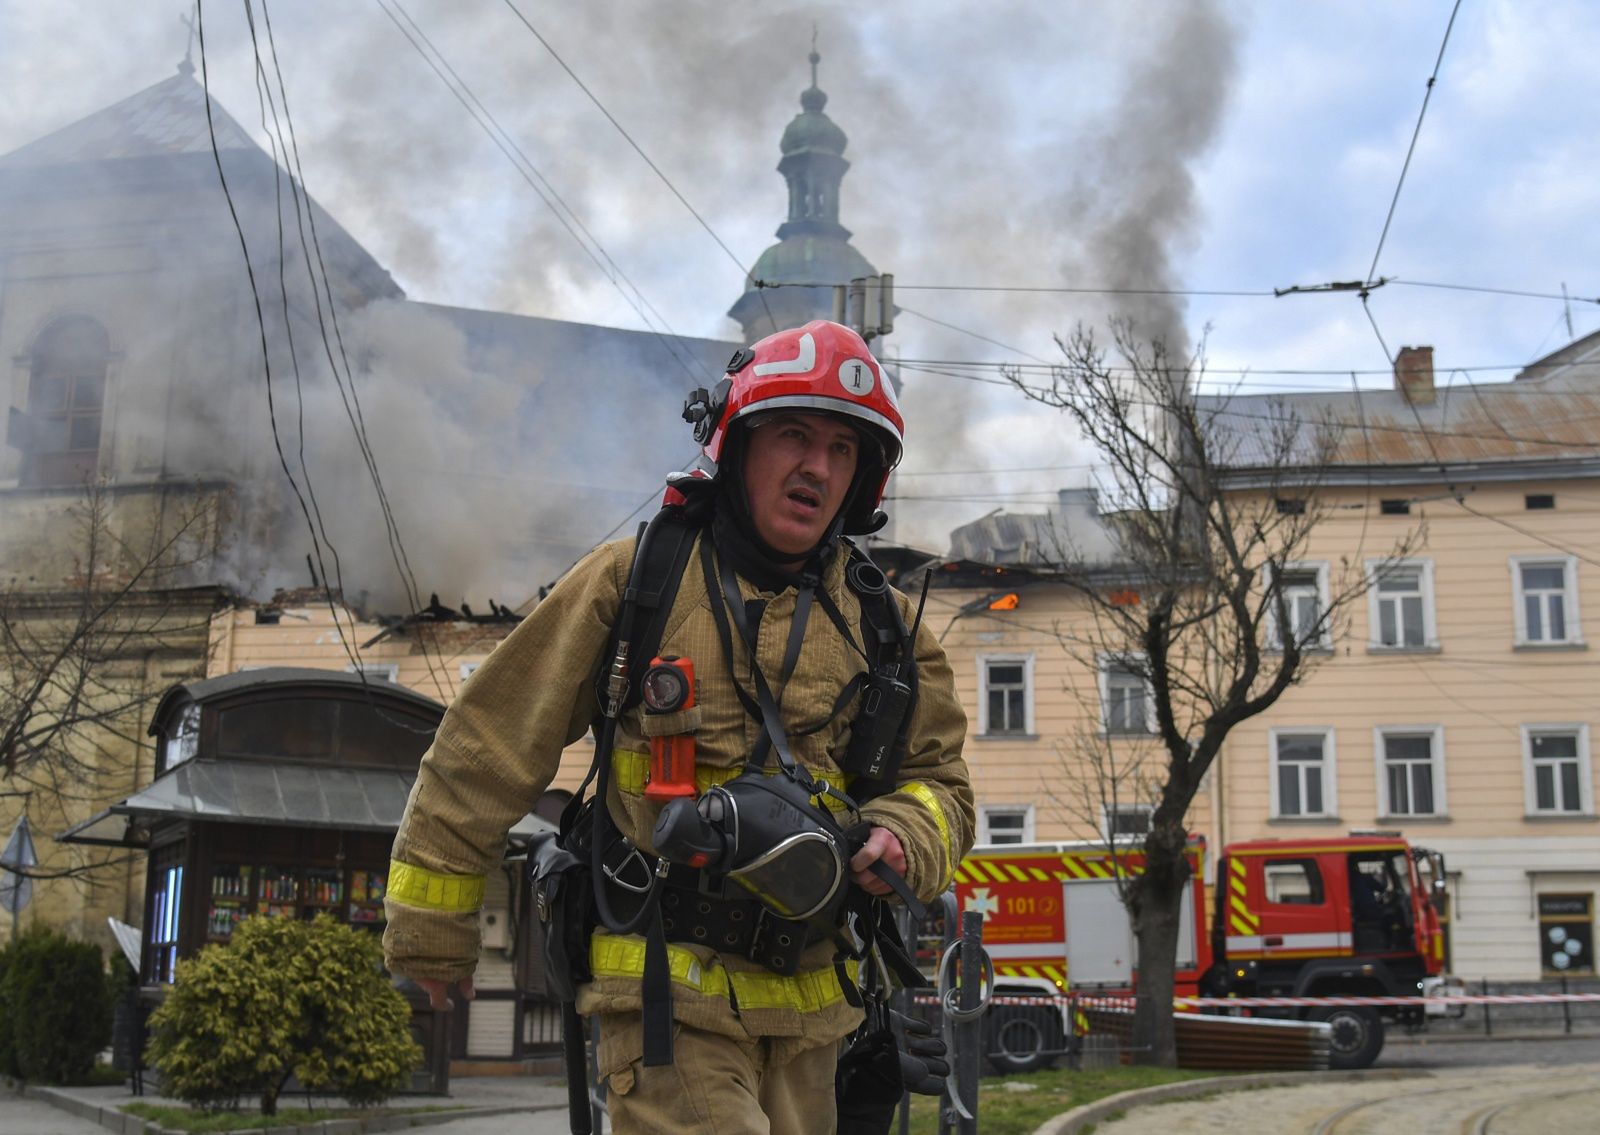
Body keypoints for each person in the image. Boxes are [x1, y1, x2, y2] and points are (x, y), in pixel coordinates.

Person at [383, 319, 974, 1134]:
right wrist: (429, 930)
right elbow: (483, 746)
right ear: (737, 445)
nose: (818, 466)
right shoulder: (637, 584)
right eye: (795, 434)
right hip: (667, 997)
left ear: (863, 477)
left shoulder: (885, 628)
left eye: (843, 449)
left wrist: (907, 831)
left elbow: (943, 785)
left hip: (816, 1015)